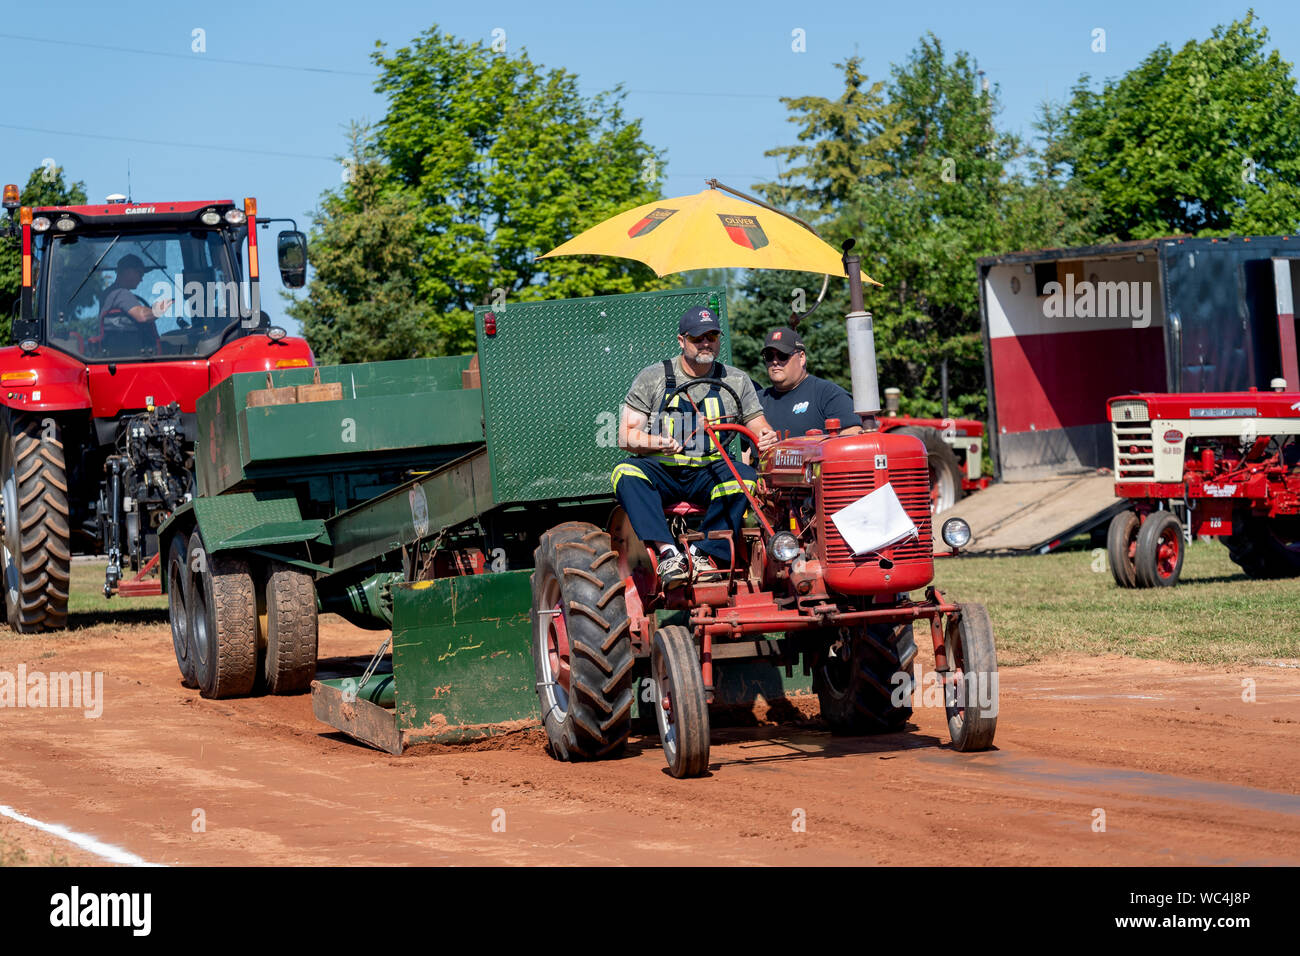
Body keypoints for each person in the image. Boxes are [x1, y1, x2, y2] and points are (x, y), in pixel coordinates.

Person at [613, 306, 778, 587]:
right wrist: (657, 444)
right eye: (698, 337)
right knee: (625, 473)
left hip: (709, 470)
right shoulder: (653, 377)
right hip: (663, 470)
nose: (706, 343)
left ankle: (701, 554)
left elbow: (757, 423)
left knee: (746, 479)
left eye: (712, 336)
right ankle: (668, 554)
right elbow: (625, 436)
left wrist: (767, 436)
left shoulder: (736, 380)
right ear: (681, 341)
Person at [758, 326, 862, 439]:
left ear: (801, 358)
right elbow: (744, 451)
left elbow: (853, 438)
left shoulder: (828, 394)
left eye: (782, 355)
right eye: (769, 356)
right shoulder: (757, 401)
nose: (775, 361)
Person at [99, 254, 170, 353]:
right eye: (140, 274)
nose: (141, 279)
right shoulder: (121, 293)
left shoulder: (107, 293)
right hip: (133, 354)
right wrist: (159, 309)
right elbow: (142, 316)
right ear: (127, 271)